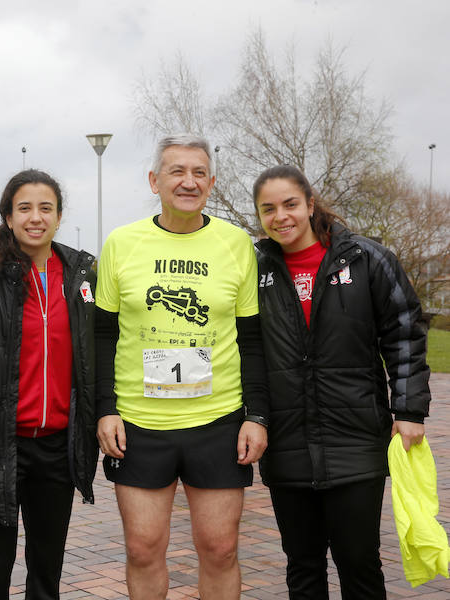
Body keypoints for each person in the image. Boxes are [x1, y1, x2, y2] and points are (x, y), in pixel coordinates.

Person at [95, 134, 269, 600]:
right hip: (139, 424)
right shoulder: (122, 243)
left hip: (217, 422)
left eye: (199, 173)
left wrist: (257, 415)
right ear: (155, 181)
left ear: (211, 183)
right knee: (143, 550)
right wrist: (105, 408)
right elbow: (102, 335)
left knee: (220, 549)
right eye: (177, 171)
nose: (188, 182)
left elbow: (252, 340)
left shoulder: (236, 244)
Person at [252, 164, 431, 599]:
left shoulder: (368, 259)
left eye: (290, 204)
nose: (281, 216)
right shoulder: (252, 270)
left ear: (310, 204)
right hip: (287, 443)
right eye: (268, 209)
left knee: (359, 563)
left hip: (356, 439)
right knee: (303, 566)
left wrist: (408, 409)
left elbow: (405, 332)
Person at [0, 169, 99, 599]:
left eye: (46, 208)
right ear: (9, 217)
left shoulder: (82, 277)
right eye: (25, 208)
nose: (36, 217)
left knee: (47, 566)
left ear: (59, 216)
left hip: (57, 446)